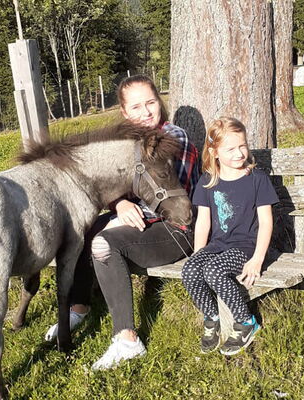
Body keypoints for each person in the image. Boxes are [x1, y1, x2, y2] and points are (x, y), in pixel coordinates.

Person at [44, 75, 200, 370]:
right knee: (83, 229)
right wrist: (119, 204)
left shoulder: (172, 137)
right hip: (143, 220)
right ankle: (79, 307)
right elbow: (107, 186)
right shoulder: (125, 144)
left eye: (151, 103)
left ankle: (127, 340)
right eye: (136, 107)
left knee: (104, 243)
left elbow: (174, 202)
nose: (146, 112)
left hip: (179, 228)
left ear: (160, 102)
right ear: (125, 113)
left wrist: (119, 218)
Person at [181, 117, 278, 355]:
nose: (239, 153)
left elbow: (266, 222)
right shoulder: (208, 181)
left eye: (242, 146)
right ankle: (211, 317)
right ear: (214, 152)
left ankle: (246, 322)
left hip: (247, 248)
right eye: (231, 149)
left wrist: (257, 259)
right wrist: (198, 253)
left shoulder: (257, 179)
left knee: (213, 270)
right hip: (218, 245)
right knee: (190, 269)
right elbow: (203, 222)